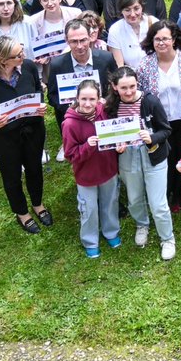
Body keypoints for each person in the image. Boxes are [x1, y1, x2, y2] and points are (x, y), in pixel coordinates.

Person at [0, 36, 50, 234]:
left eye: (22, 51)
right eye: (17, 55)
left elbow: (36, 89)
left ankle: (37, 204)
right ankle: (22, 213)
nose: (23, 56)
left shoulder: (29, 67)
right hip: (6, 138)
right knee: (12, 176)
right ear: (2, 60)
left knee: (35, 169)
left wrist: (40, 104)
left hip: (33, 130)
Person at [135, 21, 181, 213]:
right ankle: (170, 194)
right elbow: (140, 96)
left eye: (165, 38)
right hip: (159, 124)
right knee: (165, 159)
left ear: (174, 39)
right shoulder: (144, 65)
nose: (161, 43)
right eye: (156, 39)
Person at [106, 66, 177, 259]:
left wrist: (152, 137)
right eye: (123, 88)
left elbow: (166, 130)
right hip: (128, 155)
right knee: (134, 198)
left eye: (132, 86)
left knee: (158, 203)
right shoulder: (111, 106)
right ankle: (142, 224)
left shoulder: (150, 101)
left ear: (137, 84)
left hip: (153, 155)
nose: (128, 92)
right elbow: (108, 134)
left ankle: (167, 239)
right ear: (114, 87)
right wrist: (116, 144)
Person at [61, 80, 122, 258]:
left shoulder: (104, 112)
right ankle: (90, 240)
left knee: (110, 202)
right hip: (86, 176)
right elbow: (70, 155)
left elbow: (115, 132)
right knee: (89, 210)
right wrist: (87, 146)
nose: (87, 104)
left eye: (92, 99)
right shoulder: (70, 124)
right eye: (83, 99)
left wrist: (119, 143)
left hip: (108, 170)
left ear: (99, 99)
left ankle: (111, 232)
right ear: (77, 98)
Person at [47, 19, 115, 123]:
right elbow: (52, 96)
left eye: (83, 40)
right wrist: (73, 109)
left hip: (102, 117)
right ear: (66, 40)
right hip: (74, 120)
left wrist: (106, 103)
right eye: (74, 41)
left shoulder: (106, 58)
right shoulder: (57, 65)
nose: (79, 46)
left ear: (90, 37)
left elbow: (115, 86)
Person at [26, 0, 81, 64]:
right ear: (40, 1)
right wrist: (41, 57)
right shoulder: (33, 21)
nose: (50, 3)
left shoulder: (75, 14)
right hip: (48, 66)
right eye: (45, 0)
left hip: (74, 60)